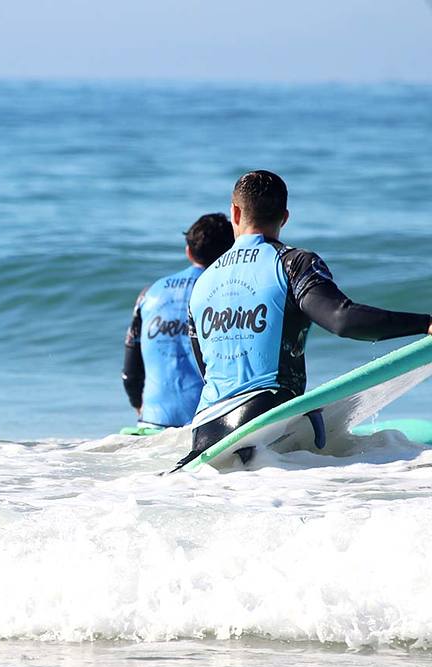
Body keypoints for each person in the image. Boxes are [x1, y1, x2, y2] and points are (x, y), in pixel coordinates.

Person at [179, 169, 432, 465]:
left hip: (206, 431)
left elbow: (205, 367)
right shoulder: (292, 263)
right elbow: (342, 320)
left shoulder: (203, 282)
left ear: (235, 212)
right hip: (265, 421)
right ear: (285, 217)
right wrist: (424, 323)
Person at [122, 213, 234, 428]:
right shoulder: (228, 293)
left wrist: (139, 404)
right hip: (208, 425)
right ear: (229, 252)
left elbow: (130, 369)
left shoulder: (149, 294)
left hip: (151, 423)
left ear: (188, 251)